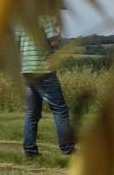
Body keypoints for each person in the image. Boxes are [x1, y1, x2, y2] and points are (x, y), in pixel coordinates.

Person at [16, 15, 75, 159]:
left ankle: (30, 150)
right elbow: (55, 44)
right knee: (60, 110)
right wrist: (58, 31)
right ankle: (67, 148)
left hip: (27, 70)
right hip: (43, 70)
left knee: (32, 113)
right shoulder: (46, 18)